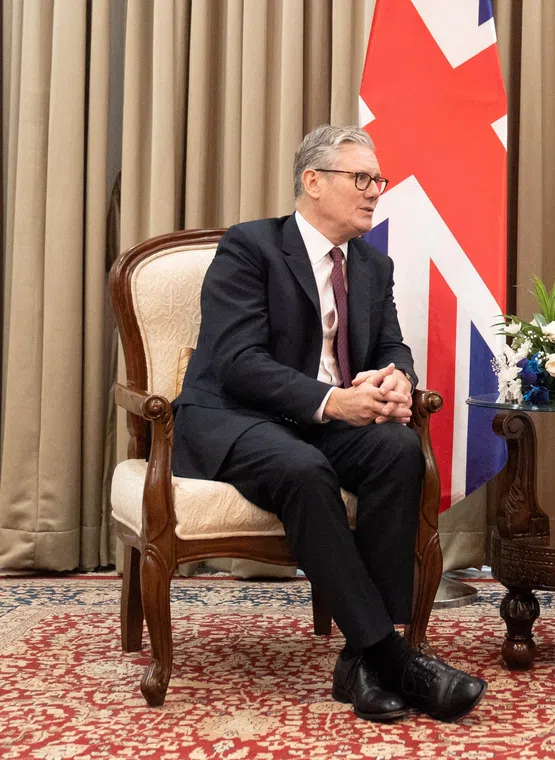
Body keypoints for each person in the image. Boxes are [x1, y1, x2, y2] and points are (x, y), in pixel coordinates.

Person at [172, 124, 486, 723]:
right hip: (237, 418)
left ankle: (362, 662)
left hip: (321, 422)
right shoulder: (250, 247)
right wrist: (329, 401)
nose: (375, 192)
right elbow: (237, 363)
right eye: (361, 179)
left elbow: (392, 346)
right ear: (312, 182)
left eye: (378, 180)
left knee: (397, 451)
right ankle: (393, 655)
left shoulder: (373, 266)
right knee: (304, 468)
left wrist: (399, 380)